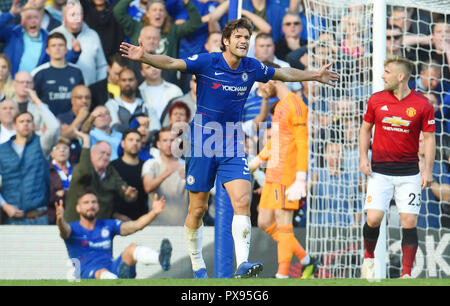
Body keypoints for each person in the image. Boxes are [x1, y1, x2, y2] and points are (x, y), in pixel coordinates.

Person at [120, 17, 338, 278]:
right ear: (226, 41)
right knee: (197, 209)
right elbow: (171, 62)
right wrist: (146, 57)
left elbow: (284, 73)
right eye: (239, 37)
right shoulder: (207, 61)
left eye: (247, 37)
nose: (244, 41)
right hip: (202, 141)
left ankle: (242, 263)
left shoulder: (252, 67)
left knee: (243, 199)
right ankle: (198, 265)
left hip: (232, 142)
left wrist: (314, 75)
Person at [359, 56, 436, 279]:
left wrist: (428, 170)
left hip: (409, 172)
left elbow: (429, 138)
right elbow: (365, 129)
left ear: (400, 76)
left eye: (387, 72)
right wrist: (364, 157)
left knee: (409, 221)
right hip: (379, 172)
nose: (383, 76)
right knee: (373, 219)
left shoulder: (422, 104)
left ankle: (406, 275)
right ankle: (369, 259)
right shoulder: (376, 100)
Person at [249, 72, 319, 279]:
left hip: (287, 173)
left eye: (262, 85)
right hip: (273, 171)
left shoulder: (296, 105)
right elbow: (278, 140)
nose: (260, 90)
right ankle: (306, 259)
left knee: (283, 222)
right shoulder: (279, 105)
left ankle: (282, 274)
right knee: (263, 221)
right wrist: (258, 160)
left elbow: (302, 142)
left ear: (273, 80)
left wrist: (300, 178)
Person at [55, 190, 172, 279]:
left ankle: (161, 258)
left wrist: (154, 213)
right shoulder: (72, 228)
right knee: (101, 272)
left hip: (113, 269)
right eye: (86, 202)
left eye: (94, 202)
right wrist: (60, 219)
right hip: (87, 275)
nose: (91, 205)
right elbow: (64, 230)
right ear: (78, 208)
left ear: (98, 206)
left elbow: (135, 225)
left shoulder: (107, 225)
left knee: (132, 249)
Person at [63, 128, 138, 222]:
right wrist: (86, 143)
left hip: (100, 228)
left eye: (108, 155)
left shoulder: (111, 171)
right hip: (76, 226)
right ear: (91, 154)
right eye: (102, 153)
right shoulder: (81, 168)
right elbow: (85, 174)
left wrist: (130, 195)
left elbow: (124, 190)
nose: (105, 157)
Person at [0, 109, 59, 225]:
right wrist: (4, 205)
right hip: (12, 217)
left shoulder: (42, 144)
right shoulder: (2, 150)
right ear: (14, 126)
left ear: (33, 126)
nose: (25, 124)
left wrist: (37, 102)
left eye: (29, 121)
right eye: (21, 121)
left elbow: (54, 127)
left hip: (38, 216)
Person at [0, 1, 80, 77]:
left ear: (40, 21)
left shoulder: (48, 39)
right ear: (22, 21)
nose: (33, 21)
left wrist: (75, 52)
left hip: (36, 85)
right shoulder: (12, 33)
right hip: (11, 84)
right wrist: (11, 14)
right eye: (29, 18)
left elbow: (61, 60)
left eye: (36, 17)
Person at [51, 0, 108, 86]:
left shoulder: (93, 35)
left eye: (79, 14)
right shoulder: (54, 35)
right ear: (64, 16)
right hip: (62, 91)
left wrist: (97, 87)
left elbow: (102, 66)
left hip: (89, 92)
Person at [142, 126, 187, 226]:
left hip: (183, 226)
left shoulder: (187, 166)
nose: (169, 144)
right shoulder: (151, 164)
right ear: (158, 144)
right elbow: (148, 187)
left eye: (172, 140)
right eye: (165, 140)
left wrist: (190, 179)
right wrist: (165, 174)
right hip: (157, 226)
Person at [31, 32, 85, 116]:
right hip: (48, 124)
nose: (57, 48)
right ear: (47, 51)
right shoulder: (38, 73)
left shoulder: (76, 72)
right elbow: (33, 101)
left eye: (61, 45)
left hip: (73, 122)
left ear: (66, 49)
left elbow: (83, 98)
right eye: (53, 45)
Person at [111, 129, 149, 221]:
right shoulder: (112, 166)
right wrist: (115, 215)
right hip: (117, 220)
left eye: (138, 140)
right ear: (123, 144)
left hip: (142, 220)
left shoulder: (147, 166)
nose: (135, 143)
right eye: (131, 140)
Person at [105, 68, 151, 133]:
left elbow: (155, 129)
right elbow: (114, 128)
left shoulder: (145, 105)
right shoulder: (111, 104)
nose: (127, 83)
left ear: (136, 81)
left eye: (131, 80)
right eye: (124, 80)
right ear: (118, 82)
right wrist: (139, 129)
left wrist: (123, 126)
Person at [138, 62, 183, 128]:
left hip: (172, 132)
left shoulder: (175, 90)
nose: (153, 69)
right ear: (142, 72)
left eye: (155, 65)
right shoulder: (138, 92)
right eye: (148, 67)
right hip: (148, 132)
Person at [48, 137, 73, 224]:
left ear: (69, 152)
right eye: (57, 148)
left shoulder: (77, 168)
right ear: (52, 153)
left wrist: (63, 193)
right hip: (54, 216)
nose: (62, 150)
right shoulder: (46, 170)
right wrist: (71, 193)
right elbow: (49, 196)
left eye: (65, 148)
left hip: (75, 215)